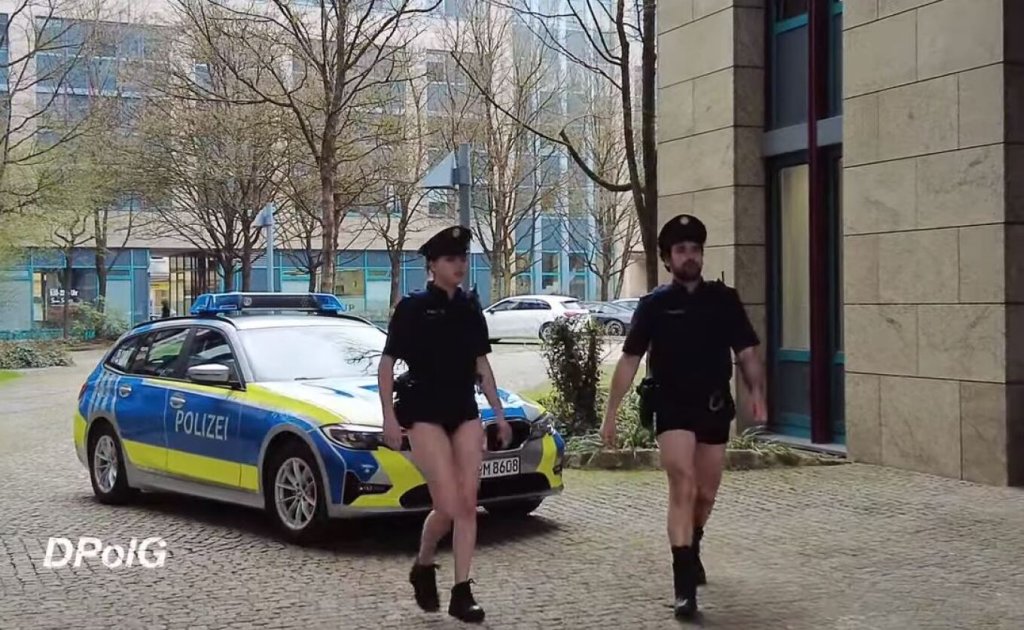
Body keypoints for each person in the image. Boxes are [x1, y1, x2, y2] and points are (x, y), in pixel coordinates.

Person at [600, 214, 767, 620]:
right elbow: (629, 359)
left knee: (705, 494)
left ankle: (693, 545)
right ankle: (684, 589)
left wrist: (757, 393)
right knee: (683, 484)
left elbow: (747, 352)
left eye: (695, 249)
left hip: (713, 406)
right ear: (667, 258)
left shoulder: (724, 300)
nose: (689, 256)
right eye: (681, 250)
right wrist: (611, 412)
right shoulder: (654, 305)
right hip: (672, 406)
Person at [377, 225, 512, 624]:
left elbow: (481, 364)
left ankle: (462, 591)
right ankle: (423, 564)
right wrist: (388, 417)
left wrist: (498, 413)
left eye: (463, 258)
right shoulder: (412, 308)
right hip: (423, 412)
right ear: (432, 265)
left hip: (463, 410)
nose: (460, 265)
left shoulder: (470, 307)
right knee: (448, 506)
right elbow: (386, 364)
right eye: (451, 259)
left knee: (468, 503)